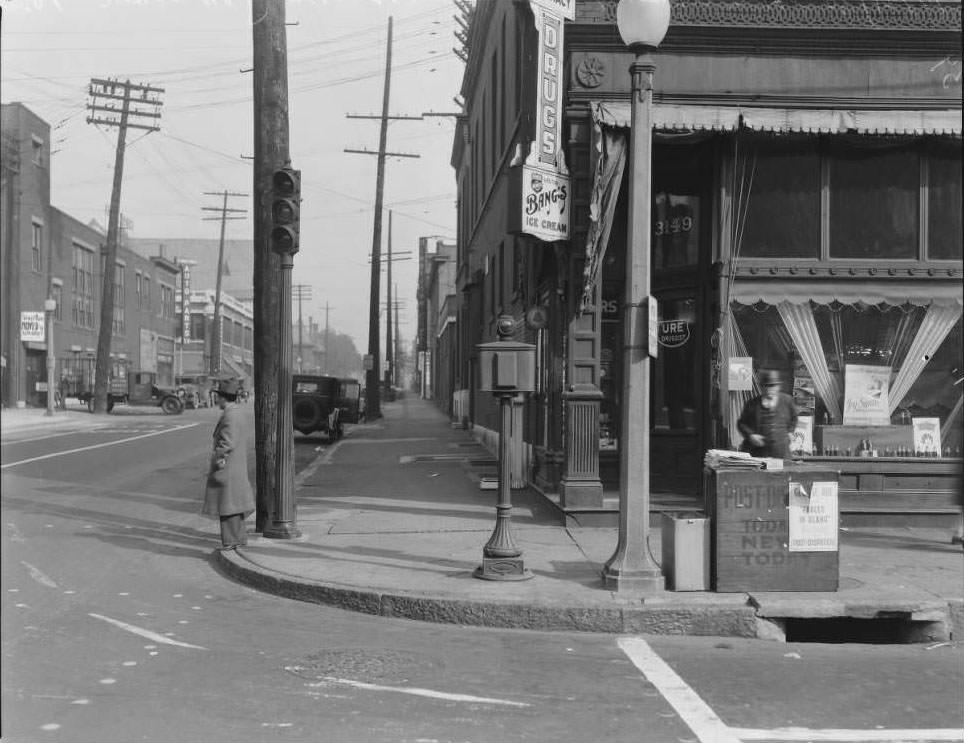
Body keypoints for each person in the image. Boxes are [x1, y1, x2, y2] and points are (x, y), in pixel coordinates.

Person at [201, 377, 255, 550]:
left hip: (228, 466)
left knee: (227, 506)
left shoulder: (230, 415)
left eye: (218, 396)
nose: (216, 399)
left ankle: (231, 541)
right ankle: (238, 538)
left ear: (224, 397)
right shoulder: (236, 412)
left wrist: (217, 457)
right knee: (234, 504)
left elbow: (228, 443)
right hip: (234, 466)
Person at [737, 369, 799, 458]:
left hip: (782, 453)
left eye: (772, 386)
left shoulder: (787, 401)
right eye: (765, 386)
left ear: (778, 386)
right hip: (758, 454)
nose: (769, 389)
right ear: (761, 387)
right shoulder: (752, 404)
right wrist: (751, 435)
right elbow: (741, 423)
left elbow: (794, 418)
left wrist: (790, 431)